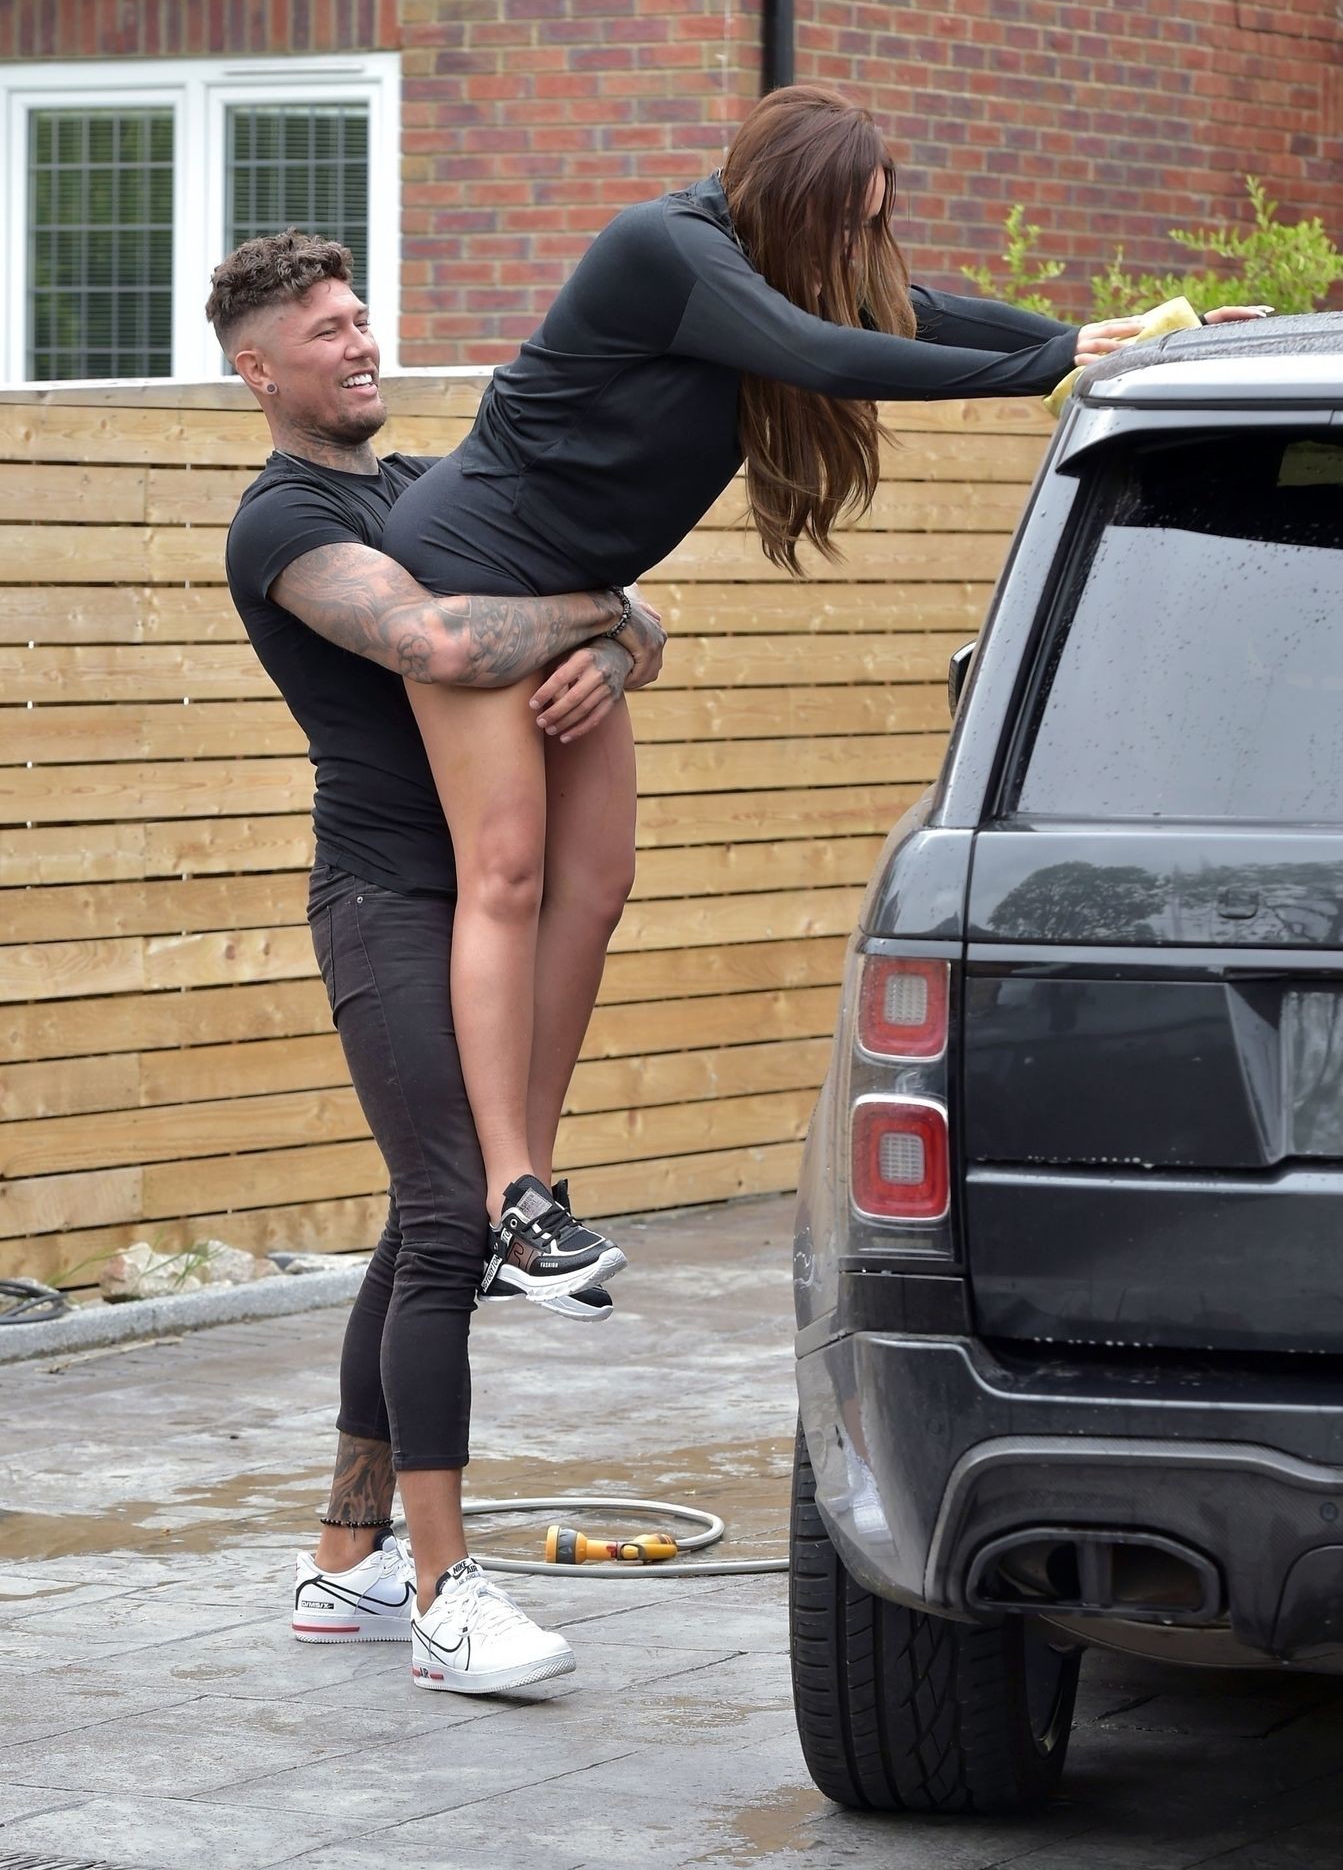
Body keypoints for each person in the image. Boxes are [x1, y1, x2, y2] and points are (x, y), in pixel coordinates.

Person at [377, 82, 1272, 1285]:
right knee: (508, 872)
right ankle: (507, 1192)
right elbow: (823, 353)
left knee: (593, 887)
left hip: (576, 598)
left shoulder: (774, 266)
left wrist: (1125, 343)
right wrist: (1050, 362)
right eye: (843, 225)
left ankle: (524, 1184)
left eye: (868, 225)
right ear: (787, 201)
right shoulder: (663, 248)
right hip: (472, 568)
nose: (856, 249)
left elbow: (916, 313)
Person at [209, 230, 665, 1696]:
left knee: (428, 1229)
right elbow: (442, 640)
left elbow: (634, 612)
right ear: (257, 371)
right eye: (324, 332)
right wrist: (591, 618)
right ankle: (444, 1594)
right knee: (443, 1217)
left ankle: (346, 1560)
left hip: (488, 902)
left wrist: (615, 647)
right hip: (388, 900)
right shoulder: (280, 524)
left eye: (360, 319)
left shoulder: (423, 485)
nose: (360, 345)